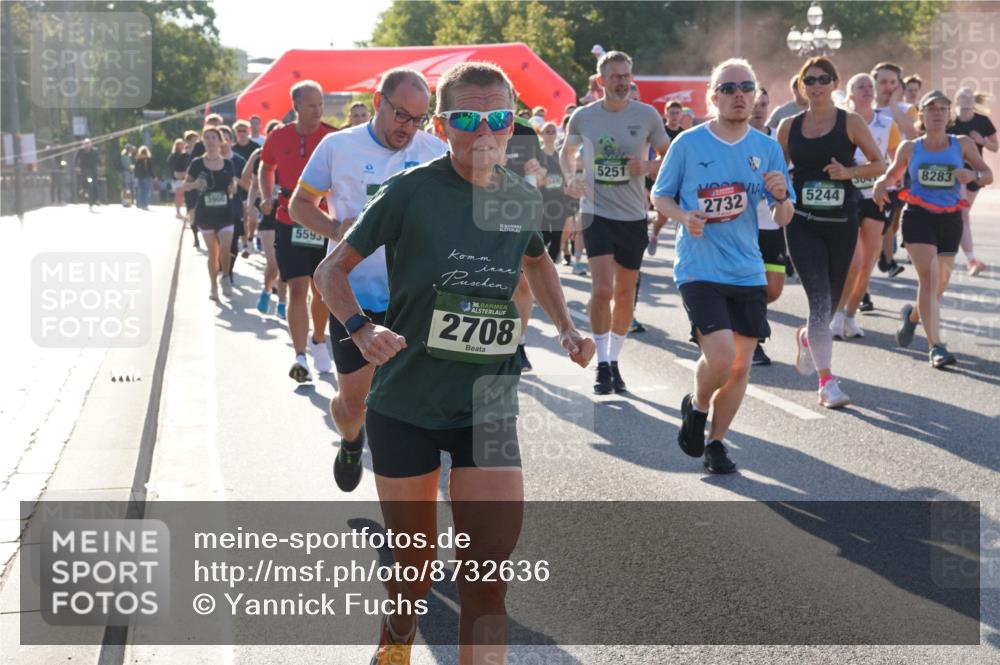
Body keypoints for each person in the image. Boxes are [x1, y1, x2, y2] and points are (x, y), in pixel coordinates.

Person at [313, 61, 594, 665]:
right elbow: (328, 270)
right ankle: (397, 632)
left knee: (487, 574)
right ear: (442, 126)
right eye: (468, 118)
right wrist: (361, 331)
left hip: (487, 399)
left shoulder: (520, 196)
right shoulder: (411, 191)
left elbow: (538, 260)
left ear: (513, 121)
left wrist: (567, 327)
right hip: (406, 400)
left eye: (498, 117)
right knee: (414, 570)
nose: (485, 131)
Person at [290, 68, 446, 494]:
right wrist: (335, 230)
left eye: (418, 119)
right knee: (356, 403)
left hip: (412, 301)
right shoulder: (338, 146)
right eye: (401, 115)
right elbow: (299, 205)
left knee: (407, 407)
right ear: (378, 102)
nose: (409, 128)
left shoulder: (434, 150)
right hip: (351, 296)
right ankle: (351, 438)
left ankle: (407, 504)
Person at [653, 57, 794, 473]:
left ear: (755, 96)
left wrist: (782, 196)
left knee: (740, 366)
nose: (739, 95)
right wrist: (684, 217)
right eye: (729, 89)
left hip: (747, 268)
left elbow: (784, 218)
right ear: (713, 97)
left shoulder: (767, 148)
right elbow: (660, 197)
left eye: (746, 88)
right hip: (699, 267)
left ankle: (716, 442)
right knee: (721, 355)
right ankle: (696, 405)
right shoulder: (689, 144)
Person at [776, 56, 884, 408]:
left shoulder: (849, 122)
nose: (817, 85)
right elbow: (776, 171)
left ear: (835, 84)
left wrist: (848, 174)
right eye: (810, 80)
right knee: (819, 300)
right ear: (802, 85)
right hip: (802, 223)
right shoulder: (789, 127)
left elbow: (879, 164)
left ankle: (809, 337)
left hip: (841, 223)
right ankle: (827, 384)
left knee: (830, 304)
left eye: (823, 79)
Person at [561, 50, 670, 394]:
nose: (622, 82)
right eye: (615, 77)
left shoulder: (647, 115)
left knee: (625, 294)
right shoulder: (584, 117)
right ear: (600, 82)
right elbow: (566, 154)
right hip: (596, 213)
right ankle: (601, 364)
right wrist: (570, 180)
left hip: (633, 216)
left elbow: (670, 153)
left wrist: (648, 168)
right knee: (603, 289)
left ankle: (614, 360)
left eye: (626, 76)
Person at [874, 90, 993, 367]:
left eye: (942, 109)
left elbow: (988, 174)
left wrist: (973, 175)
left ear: (948, 114)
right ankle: (935, 346)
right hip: (918, 218)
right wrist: (881, 183)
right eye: (931, 109)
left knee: (938, 288)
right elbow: (893, 174)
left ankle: (913, 317)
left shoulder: (961, 144)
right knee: (929, 280)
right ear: (922, 115)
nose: (937, 113)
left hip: (950, 220)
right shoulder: (910, 147)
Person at [259, 80, 338, 383]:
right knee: (297, 288)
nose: (318, 110)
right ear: (296, 107)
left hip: (322, 222)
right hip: (288, 218)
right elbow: (266, 167)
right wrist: (266, 195)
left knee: (322, 291)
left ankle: (319, 339)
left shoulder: (332, 137)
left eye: (320, 104)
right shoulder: (279, 136)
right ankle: (300, 356)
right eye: (311, 105)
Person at [831, 73, 900, 338]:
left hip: (877, 195)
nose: (867, 90)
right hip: (849, 194)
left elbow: (895, 161)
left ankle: (849, 315)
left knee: (868, 260)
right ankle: (836, 313)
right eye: (860, 86)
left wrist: (890, 180)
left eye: (869, 86)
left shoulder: (887, 123)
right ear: (849, 94)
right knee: (852, 259)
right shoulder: (842, 122)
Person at [181, 127, 238, 302]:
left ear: (221, 141)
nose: (211, 141)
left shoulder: (228, 164)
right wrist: (196, 184)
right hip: (205, 214)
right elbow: (185, 185)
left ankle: (226, 277)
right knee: (212, 254)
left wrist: (232, 188)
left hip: (225, 213)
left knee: (226, 249)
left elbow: (232, 186)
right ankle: (213, 286)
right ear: (203, 142)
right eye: (207, 138)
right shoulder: (197, 163)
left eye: (214, 137)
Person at [949, 87, 998, 276]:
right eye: (963, 97)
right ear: (957, 101)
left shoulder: (982, 121)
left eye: (970, 97)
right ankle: (971, 260)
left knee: (963, 213)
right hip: (957, 172)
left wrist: (982, 141)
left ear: (974, 101)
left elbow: (995, 147)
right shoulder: (951, 122)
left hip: (977, 174)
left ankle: (964, 254)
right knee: (962, 214)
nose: (967, 100)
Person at [243, 120, 287, 318]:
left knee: (286, 265)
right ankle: (267, 290)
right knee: (273, 264)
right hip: (269, 215)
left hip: (288, 215)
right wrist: (251, 206)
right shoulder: (261, 155)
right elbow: (251, 183)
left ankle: (283, 303)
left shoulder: (292, 155)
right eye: (274, 133)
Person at [181, 130, 202, 247]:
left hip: (204, 188)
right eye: (193, 141)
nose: (196, 143)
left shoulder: (204, 151)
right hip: (191, 186)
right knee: (192, 212)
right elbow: (178, 173)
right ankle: (196, 236)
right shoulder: (185, 156)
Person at [74, 138, 100, 211]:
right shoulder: (80, 151)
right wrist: (76, 167)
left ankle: (97, 199)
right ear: (83, 144)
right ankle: (83, 189)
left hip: (92, 170)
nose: (87, 145)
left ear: (91, 144)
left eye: (88, 143)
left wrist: (99, 167)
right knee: (83, 182)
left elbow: (98, 160)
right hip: (84, 170)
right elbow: (76, 159)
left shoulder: (94, 151)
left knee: (94, 184)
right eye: (85, 144)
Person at [167, 138, 189, 219]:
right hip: (177, 178)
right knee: (179, 195)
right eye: (179, 144)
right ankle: (178, 212)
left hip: (185, 178)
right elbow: (172, 167)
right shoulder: (173, 156)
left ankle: (184, 212)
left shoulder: (185, 155)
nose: (181, 146)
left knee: (184, 196)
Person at [133, 145, 153, 210]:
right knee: (146, 191)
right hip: (146, 177)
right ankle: (144, 204)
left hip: (140, 177)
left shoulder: (138, 160)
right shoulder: (147, 159)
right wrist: (153, 176)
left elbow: (135, 170)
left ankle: (140, 203)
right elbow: (149, 169)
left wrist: (137, 176)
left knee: (141, 191)